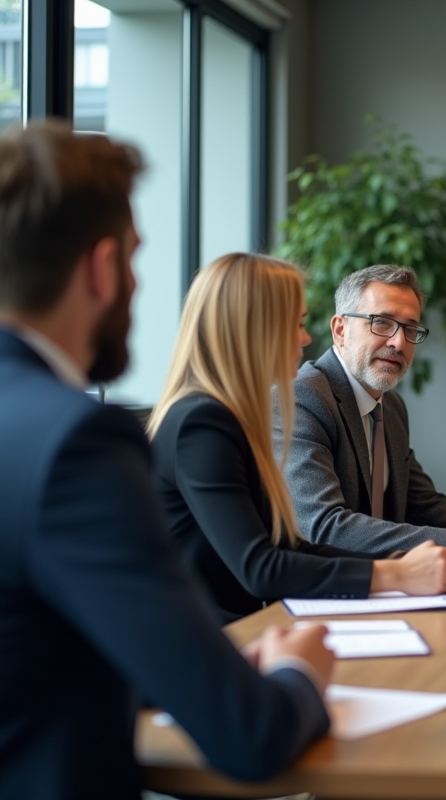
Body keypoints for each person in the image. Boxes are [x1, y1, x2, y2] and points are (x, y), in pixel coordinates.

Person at [0, 122, 333, 798]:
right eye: (133, 259)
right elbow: (250, 735)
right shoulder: (76, 444)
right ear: (101, 268)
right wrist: (300, 673)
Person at [149, 254, 446, 624]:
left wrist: (402, 565)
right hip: (206, 641)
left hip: (240, 631)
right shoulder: (202, 423)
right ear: (251, 328)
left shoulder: (229, 417)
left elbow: (288, 547)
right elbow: (259, 566)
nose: (305, 337)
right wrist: (396, 574)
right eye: (295, 323)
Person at [280, 264, 446, 557]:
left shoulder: (391, 407)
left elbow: (423, 504)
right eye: (381, 322)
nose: (398, 342)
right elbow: (326, 527)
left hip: (390, 586)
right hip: (323, 593)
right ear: (340, 330)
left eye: (410, 328)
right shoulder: (302, 399)